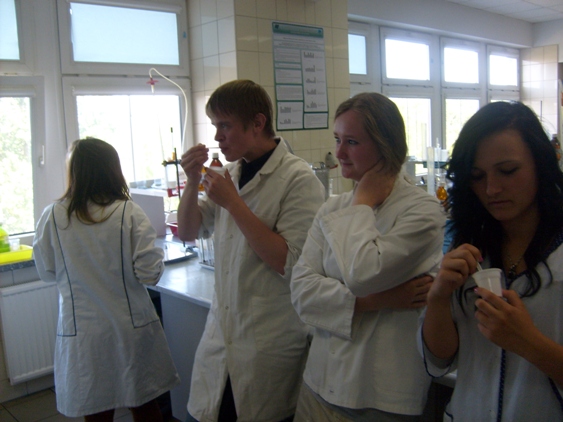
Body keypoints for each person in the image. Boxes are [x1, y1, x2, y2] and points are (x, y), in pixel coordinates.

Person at [290, 92, 445, 421]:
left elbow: (362, 273)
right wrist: (380, 301)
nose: (339, 153)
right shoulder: (332, 208)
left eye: (352, 142)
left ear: (385, 145)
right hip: (318, 384)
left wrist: (361, 202)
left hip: (380, 397)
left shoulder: (423, 211)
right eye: (337, 139)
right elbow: (301, 292)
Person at [177, 79, 325, 422]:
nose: (217, 137)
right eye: (215, 126)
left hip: (268, 343)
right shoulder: (230, 173)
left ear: (258, 123)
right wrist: (192, 182)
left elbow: (288, 262)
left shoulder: (299, 179)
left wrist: (234, 203)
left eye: (225, 126)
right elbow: (188, 231)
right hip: (222, 336)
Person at [420, 101, 563, 421]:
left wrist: (529, 343)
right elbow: (440, 359)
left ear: (541, 163)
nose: (492, 189)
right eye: (477, 176)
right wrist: (438, 297)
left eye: (508, 171)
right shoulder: (470, 247)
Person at [33, 138, 180, 421]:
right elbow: (150, 273)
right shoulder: (128, 211)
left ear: (74, 172)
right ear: (113, 170)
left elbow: (46, 271)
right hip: (129, 328)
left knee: (96, 411)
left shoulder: (52, 216)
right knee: (145, 406)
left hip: (83, 333)